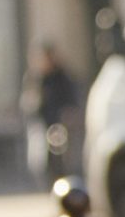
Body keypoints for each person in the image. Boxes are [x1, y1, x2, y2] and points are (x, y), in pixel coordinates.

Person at [21, 41, 83, 188]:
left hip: (59, 126)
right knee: (42, 163)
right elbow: (28, 103)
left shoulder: (61, 77)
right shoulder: (35, 78)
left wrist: (68, 115)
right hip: (41, 126)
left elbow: (71, 100)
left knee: (60, 162)